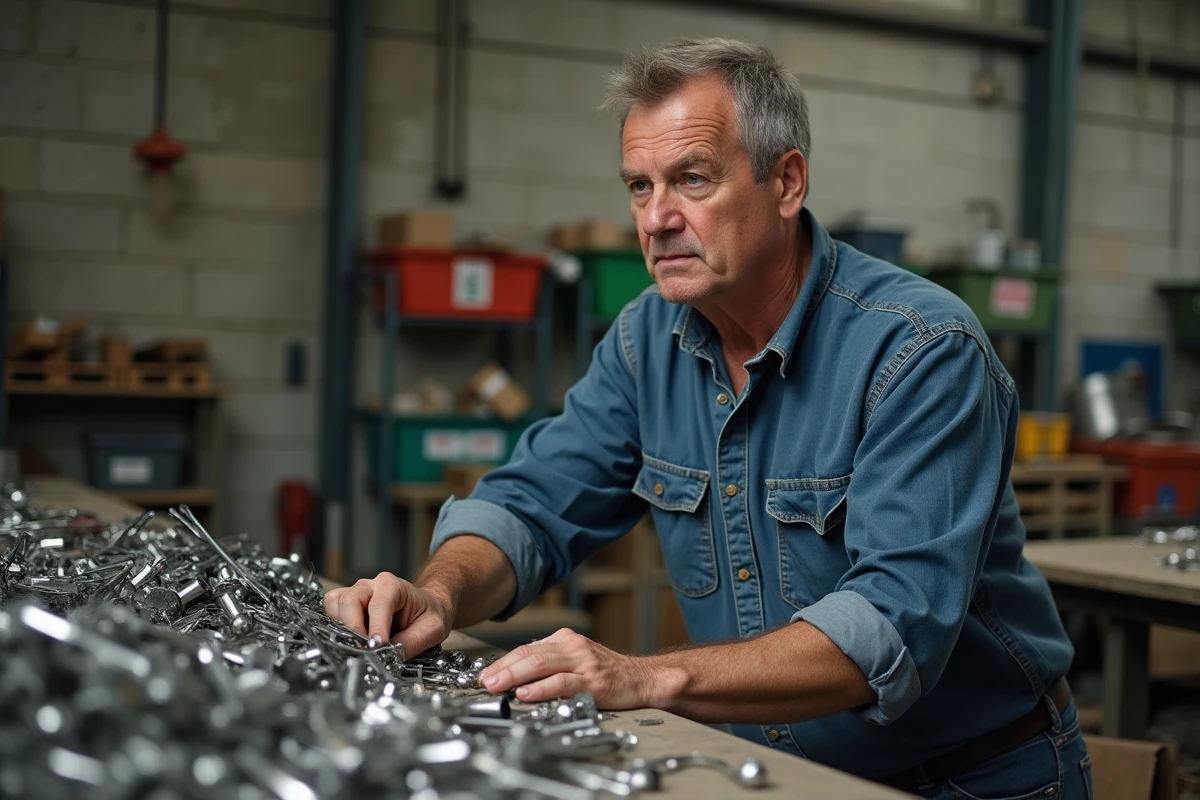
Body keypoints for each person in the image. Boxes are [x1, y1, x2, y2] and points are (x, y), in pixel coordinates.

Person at [325, 38, 1091, 798]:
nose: (656, 219)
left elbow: (890, 629)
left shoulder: (920, 348)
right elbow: (530, 506)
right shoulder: (643, 341)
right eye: (638, 186)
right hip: (773, 774)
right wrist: (441, 593)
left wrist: (644, 676)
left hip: (970, 779)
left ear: (786, 181)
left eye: (691, 180)